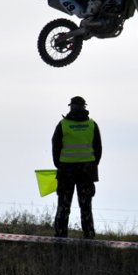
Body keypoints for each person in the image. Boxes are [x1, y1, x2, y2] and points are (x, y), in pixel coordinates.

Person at [51, 96, 102, 239]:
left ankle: (60, 238)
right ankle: (89, 238)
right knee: (86, 207)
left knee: (63, 207)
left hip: (66, 171)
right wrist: (91, 164)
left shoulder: (63, 125)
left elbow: (55, 147)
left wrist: (60, 165)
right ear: (84, 107)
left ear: (71, 107)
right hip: (87, 172)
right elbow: (98, 149)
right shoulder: (92, 125)